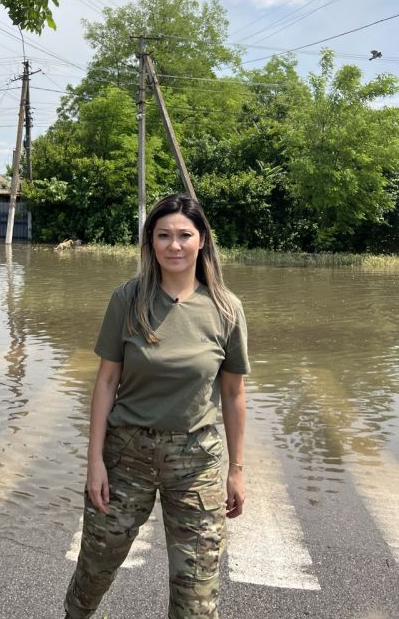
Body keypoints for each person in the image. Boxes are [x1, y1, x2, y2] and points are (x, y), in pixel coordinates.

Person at [64, 193, 250, 619]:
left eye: (184, 235)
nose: (174, 245)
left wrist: (237, 470)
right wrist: (95, 461)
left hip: (196, 461)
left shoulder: (225, 308)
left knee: (197, 593)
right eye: (163, 235)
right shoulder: (127, 300)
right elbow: (106, 381)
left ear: (202, 240)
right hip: (126, 455)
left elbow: (234, 394)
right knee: (95, 567)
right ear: (150, 242)